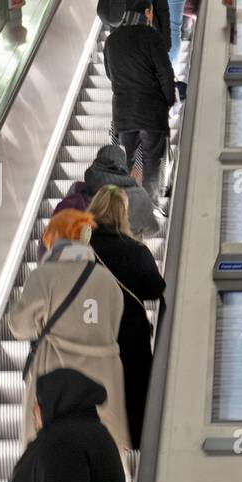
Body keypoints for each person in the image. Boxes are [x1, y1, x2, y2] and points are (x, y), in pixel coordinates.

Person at [8, 211, 131, 452]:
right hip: (104, 376)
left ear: (54, 238)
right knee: (104, 451)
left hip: (55, 374)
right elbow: (114, 327)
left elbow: (19, 327)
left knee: (50, 451)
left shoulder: (44, 276)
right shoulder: (108, 280)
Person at [88, 187, 166, 449]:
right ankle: (136, 452)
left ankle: (102, 449)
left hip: (93, 336)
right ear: (123, 214)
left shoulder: (80, 252)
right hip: (131, 337)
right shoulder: (136, 251)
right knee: (135, 393)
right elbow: (155, 288)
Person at [103, 0, 176, 208]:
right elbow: (165, 74)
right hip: (151, 114)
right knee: (152, 165)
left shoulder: (111, 41)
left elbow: (110, 74)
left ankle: (125, 212)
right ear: (146, 13)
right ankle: (148, 210)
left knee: (126, 165)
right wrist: (169, 99)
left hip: (124, 116)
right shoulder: (151, 37)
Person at [38, 146, 158, 261]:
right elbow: (152, 230)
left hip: (86, 262)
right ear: (124, 167)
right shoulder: (139, 195)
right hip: (129, 263)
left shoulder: (77, 191)